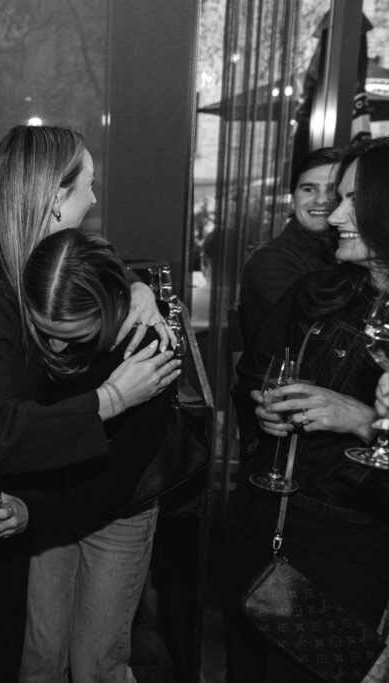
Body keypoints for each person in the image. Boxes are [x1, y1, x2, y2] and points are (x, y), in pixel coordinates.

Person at [0, 125, 180, 682]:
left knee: (3, 662)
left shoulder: (34, 268)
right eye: (87, 186)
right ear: (53, 199)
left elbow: (94, 273)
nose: (94, 200)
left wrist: (138, 286)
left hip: (7, 506)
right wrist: (112, 399)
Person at [224, 137, 389, 682]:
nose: (334, 214)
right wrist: (264, 408)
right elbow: (257, 372)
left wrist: (360, 418)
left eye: (351, 201)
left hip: (352, 545)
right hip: (270, 521)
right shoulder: (316, 290)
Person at [15, 229, 176, 683]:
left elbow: (118, 480)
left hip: (118, 515)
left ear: (107, 307)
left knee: (96, 667)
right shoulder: (41, 325)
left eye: (72, 335)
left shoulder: (146, 346)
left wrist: (29, 514)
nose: (57, 348)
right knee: (39, 660)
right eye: (44, 333)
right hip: (52, 505)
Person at [237, 147, 341, 346]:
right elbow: (324, 335)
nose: (320, 200)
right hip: (288, 375)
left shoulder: (346, 254)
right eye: (309, 189)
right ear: (293, 201)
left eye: (332, 191)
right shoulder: (270, 262)